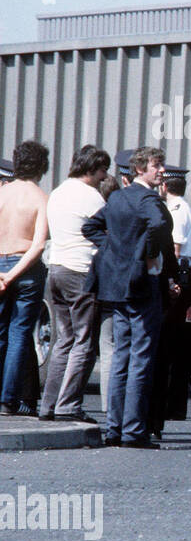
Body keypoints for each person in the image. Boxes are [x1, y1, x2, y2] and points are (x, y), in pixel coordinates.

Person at [82, 146, 172, 448]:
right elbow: (158, 226)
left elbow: (90, 226)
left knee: (121, 355)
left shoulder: (118, 197)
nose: (161, 170)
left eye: (161, 165)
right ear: (139, 170)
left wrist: (113, 251)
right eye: (156, 166)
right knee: (141, 358)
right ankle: (134, 431)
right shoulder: (148, 199)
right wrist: (143, 256)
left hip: (116, 287)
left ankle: (115, 428)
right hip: (142, 287)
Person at [39, 146, 110, 423]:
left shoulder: (58, 192)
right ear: (91, 168)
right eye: (102, 170)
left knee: (63, 340)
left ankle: (49, 404)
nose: (105, 176)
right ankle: (68, 405)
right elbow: (107, 231)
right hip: (80, 270)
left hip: (56, 267)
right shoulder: (91, 197)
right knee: (84, 341)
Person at [147, 165, 191, 437]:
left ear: (165, 186)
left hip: (176, 278)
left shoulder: (176, 212)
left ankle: (161, 411)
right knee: (173, 347)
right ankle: (172, 407)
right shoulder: (186, 209)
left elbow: (174, 251)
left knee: (163, 348)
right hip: (183, 277)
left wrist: (170, 283)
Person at [0, 141, 51, 415]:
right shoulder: (41, 197)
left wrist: (2, 275)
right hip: (26, 268)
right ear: (42, 167)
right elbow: (39, 244)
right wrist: (14, 274)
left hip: (0, 265)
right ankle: (8, 399)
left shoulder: (2, 193)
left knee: (0, 332)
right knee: (20, 333)